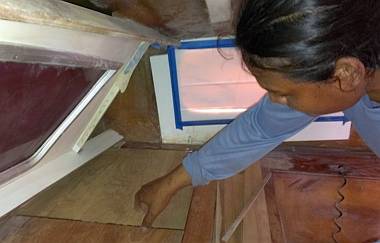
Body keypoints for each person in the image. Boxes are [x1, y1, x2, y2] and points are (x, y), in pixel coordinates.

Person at [135, 0, 380, 226]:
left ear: (347, 74)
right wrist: (171, 183)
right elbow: (262, 126)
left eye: (284, 93)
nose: (276, 101)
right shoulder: (352, 60)